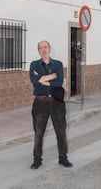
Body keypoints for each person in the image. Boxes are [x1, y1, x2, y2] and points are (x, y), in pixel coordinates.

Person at [29, 40, 73, 169]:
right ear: (38, 51)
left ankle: (63, 158)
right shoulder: (34, 64)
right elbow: (34, 80)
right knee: (38, 133)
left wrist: (42, 78)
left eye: (45, 47)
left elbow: (59, 82)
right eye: (40, 48)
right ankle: (37, 160)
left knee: (61, 132)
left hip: (56, 103)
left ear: (49, 49)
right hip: (40, 103)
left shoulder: (58, 64)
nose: (43, 50)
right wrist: (51, 76)